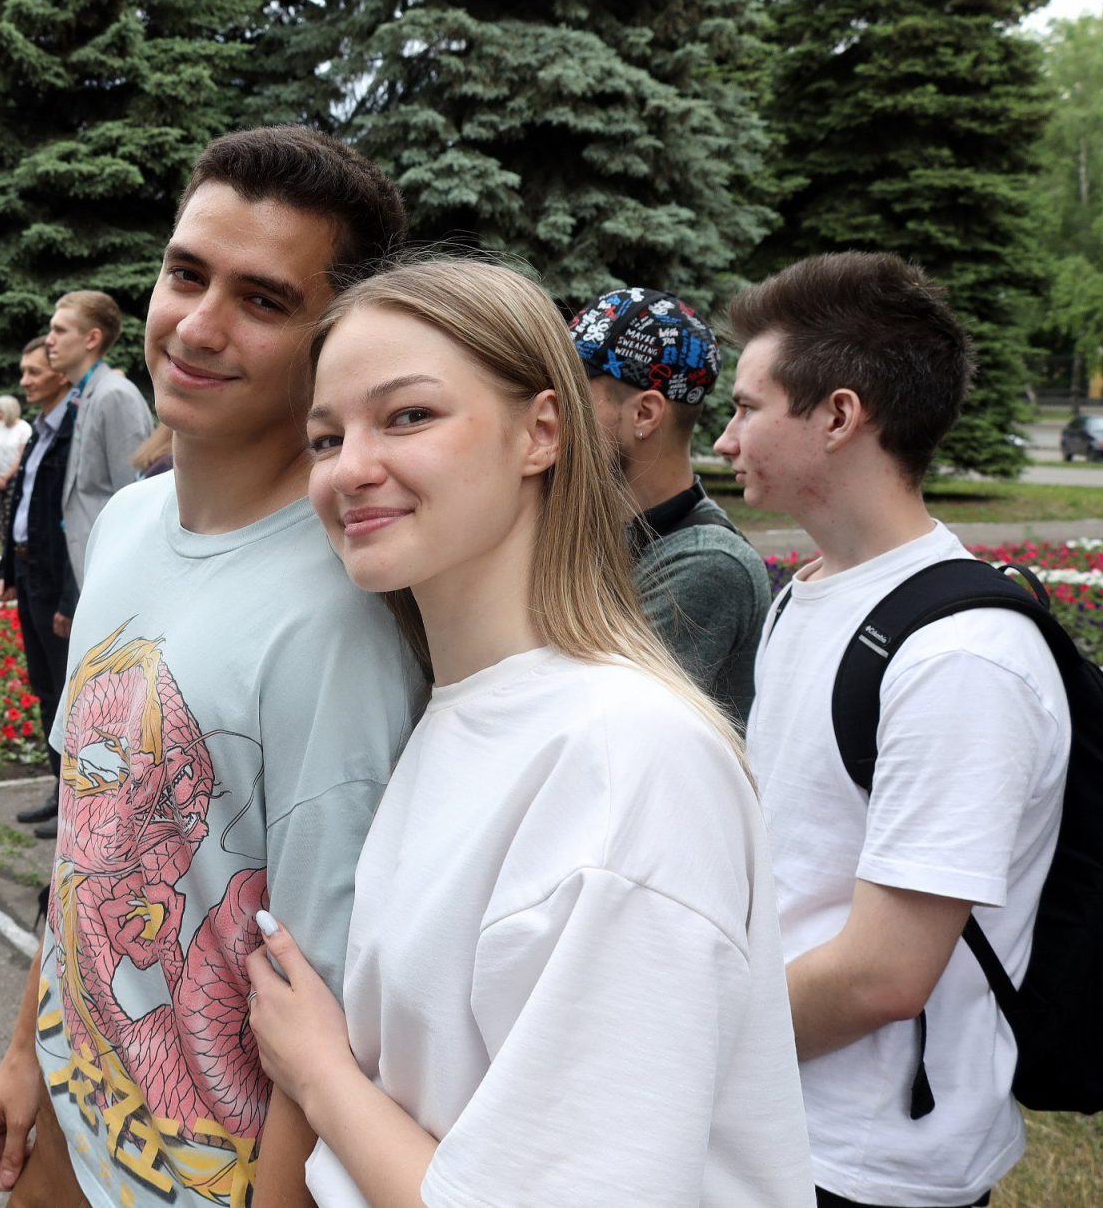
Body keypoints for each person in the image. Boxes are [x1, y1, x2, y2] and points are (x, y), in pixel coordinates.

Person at [245, 258, 810, 1208]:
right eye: (326, 436)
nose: (351, 468)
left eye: (408, 415)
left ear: (542, 431)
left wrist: (318, 1071)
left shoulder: (630, 761)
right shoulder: (468, 709)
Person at [0, 126, 424, 1207]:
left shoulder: (339, 613)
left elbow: (321, 990)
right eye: (185, 274)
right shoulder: (127, 522)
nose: (199, 325)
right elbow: (86, 836)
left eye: (262, 300)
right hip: (67, 1127)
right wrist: (24, 1052)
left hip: (206, 1179)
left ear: (335, 338)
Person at [715, 253, 1070, 1208]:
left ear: (838, 415)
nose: (724, 437)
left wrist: (682, 1037)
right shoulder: (808, 592)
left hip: (863, 1164)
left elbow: (884, 975)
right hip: (766, 1119)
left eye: (747, 407)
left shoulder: (963, 659)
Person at [568, 288, 773, 725]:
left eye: (574, 398)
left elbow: (587, 719)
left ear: (645, 414)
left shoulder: (707, 565)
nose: (554, 417)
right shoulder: (609, 533)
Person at [0, 337, 72, 840]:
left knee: (67, 692)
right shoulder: (40, 430)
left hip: (53, 576)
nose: (24, 381)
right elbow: (22, 503)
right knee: (45, 688)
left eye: (34, 372)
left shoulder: (71, 430)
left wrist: (70, 594)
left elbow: (73, 519)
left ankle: (76, 806)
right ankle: (58, 790)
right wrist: (6, 564)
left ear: (61, 374)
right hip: (26, 570)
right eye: (23, 371)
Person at [44, 289, 155, 591]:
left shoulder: (114, 395)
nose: (49, 340)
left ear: (92, 339)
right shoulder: (88, 393)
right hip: (93, 565)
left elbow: (133, 496)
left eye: (59, 330)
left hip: (113, 573)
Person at [0, 394, 30, 548]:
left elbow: (21, 456)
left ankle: (14, 549)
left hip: (15, 478)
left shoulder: (24, 428)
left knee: (12, 515)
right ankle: (3, 549)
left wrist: (6, 477)